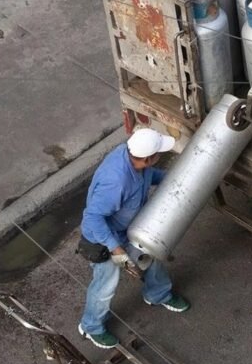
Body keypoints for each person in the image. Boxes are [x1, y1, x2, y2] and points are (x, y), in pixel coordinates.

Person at [77, 128, 190, 349]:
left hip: (130, 228)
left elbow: (150, 175)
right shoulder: (116, 181)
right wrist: (115, 248)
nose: (160, 155)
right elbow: (92, 218)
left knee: (152, 256)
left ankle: (157, 294)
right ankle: (91, 326)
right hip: (104, 239)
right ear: (148, 157)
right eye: (158, 153)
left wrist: (172, 180)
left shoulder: (135, 159)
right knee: (105, 285)